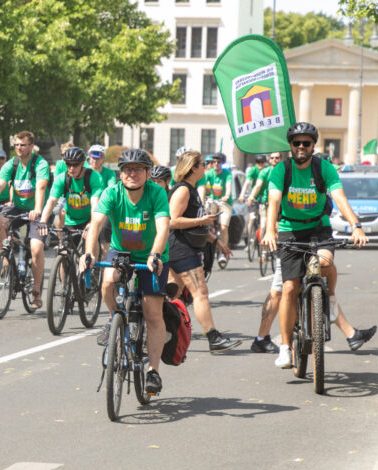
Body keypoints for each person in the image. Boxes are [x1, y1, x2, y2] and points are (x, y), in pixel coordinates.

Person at [262, 122, 371, 368]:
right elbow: (274, 201)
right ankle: (285, 347)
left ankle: (329, 302)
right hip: (289, 230)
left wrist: (356, 225)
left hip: (318, 227)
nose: (301, 147)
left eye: (306, 143)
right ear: (290, 146)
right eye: (296, 143)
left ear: (313, 145)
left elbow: (339, 198)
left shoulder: (324, 168)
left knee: (325, 262)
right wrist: (270, 230)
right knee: (289, 287)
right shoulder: (281, 170)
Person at [80, 148, 170, 394]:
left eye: (138, 169)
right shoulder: (112, 193)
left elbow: (163, 227)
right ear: (120, 174)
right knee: (108, 283)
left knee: (152, 312)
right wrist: (89, 254)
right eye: (127, 169)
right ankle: (114, 319)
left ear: (147, 173)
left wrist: (155, 255)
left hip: (152, 255)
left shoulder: (157, 193)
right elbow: (96, 223)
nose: (132, 173)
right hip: (121, 252)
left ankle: (153, 371)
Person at [166, 151, 241, 352]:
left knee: (174, 295)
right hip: (180, 249)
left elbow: (194, 226)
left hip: (180, 248)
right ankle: (213, 337)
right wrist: (201, 220)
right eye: (202, 164)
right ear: (192, 168)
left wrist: (216, 241)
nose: (206, 167)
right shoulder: (183, 190)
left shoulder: (191, 190)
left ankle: (160, 333)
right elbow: (172, 220)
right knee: (200, 293)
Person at [0, 131, 50, 309]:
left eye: (23, 145)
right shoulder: (12, 164)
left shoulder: (39, 163)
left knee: (36, 249)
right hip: (18, 206)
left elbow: (41, 187)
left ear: (31, 146)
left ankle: (36, 292)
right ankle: (5, 259)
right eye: (16, 145)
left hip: (37, 209)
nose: (19, 148)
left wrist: (37, 209)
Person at [38, 147, 107, 250]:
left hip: (89, 219)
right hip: (70, 220)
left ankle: (93, 265)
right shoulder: (62, 179)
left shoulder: (94, 177)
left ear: (82, 163)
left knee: (91, 248)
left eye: (75, 164)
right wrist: (43, 221)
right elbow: (51, 201)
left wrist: (92, 223)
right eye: (68, 164)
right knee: (64, 253)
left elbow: (95, 203)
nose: (71, 168)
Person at [204, 152, 233, 268]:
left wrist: (227, 195)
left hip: (224, 202)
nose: (215, 164)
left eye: (218, 162)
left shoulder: (227, 174)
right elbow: (202, 185)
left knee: (224, 227)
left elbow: (229, 186)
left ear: (222, 163)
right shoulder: (209, 173)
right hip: (212, 201)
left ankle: (222, 253)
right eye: (213, 162)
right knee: (206, 221)